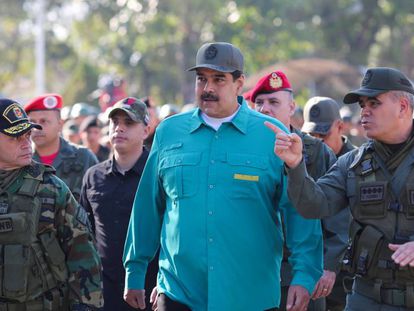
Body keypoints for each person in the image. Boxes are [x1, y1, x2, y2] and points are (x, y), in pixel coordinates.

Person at [123, 42, 323, 311]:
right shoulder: (169, 132)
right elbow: (148, 206)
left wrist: (304, 274)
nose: (208, 88)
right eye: (201, 79)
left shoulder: (271, 134)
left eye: (219, 79)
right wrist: (135, 269)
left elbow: (298, 209)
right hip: (180, 293)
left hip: (250, 295)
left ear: (239, 83)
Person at [266, 67, 414, 310]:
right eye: (362, 104)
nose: (363, 111)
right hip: (366, 297)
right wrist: (295, 165)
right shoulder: (352, 163)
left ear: (402, 107)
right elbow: (314, 204)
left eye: (374, 103)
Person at [249, 71, 347, 311]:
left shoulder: (316, 151)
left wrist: (328, 266)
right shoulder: (245, 151)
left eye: (274, 102)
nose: (265, 109)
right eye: (259, 102)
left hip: (302, 268)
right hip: (256, 269)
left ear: (291, 107)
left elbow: (337, 214)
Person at [0, 98, 102, 310]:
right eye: (15, 137)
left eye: (27, 134)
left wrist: (86, 306)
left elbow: (83, 254)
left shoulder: (51, 188)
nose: (26, 142)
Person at [80, 97, 158, 311]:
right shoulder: (93, 176)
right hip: (104, 293)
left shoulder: (159, 173)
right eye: (115, 122)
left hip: (150, 291)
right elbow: (84, 234)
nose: (119, 128)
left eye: (129, 123)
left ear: (146, 131)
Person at [302, 96, 356, 310]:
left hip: (347, 272)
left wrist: (330, 265)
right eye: (311, 135)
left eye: (323, 135)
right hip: (313, 268)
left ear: (340, 126)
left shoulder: (359, 162)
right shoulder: (303, 163)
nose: (317, 141)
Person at [24, 94, 98, 200]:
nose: (36, 128)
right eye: (32, 122)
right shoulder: (21, 159)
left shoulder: (84, 158)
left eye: (43, 121)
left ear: (60, 125)